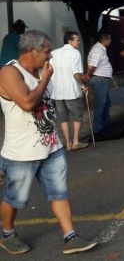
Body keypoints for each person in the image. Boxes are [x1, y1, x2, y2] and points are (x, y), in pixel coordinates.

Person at [0, 30, 98, 255]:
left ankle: (70, 236)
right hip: (21, 153)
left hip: (51, 147)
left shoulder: (41, 70)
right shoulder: (9, 72)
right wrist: (45, 79)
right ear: (31, 51)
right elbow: (27, 103)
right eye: (46, 51)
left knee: (59, 193)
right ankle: (7, 234)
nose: (50, 56)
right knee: (15, 198)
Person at [50, 31, 89, 151]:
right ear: (69, 41)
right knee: (77, 116)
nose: (79, 42)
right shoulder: (75, 53)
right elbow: (76, 73)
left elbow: (49, 70)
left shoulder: (53, 53)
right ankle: (76, 141)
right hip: (71, 91)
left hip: (57, 92)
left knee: (63, 118)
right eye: (76, 40)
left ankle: (68, 143)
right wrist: (83, 85)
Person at [84, 33, 113, 134]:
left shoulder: (100, 49)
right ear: (105, 39)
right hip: (99, 80)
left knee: (106, 102)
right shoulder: (98, 50)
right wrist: (88, 75)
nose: (111, 41)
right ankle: (98, 127)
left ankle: (105, 123)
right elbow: (92, 66)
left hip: (102, 79)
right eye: (109, 39)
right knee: (101, 103)